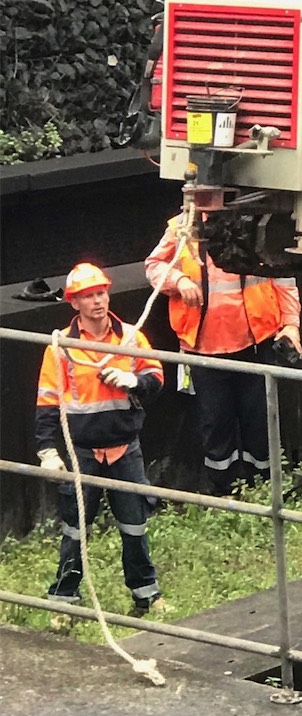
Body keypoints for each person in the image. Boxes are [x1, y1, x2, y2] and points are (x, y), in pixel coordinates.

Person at [37, 262, 168, 616]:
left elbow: (155, 379)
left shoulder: (131, 337)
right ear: (74, 303)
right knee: (75, 529)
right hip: (83, 451)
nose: (97, 301)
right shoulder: (61, 347)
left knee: (135, 524)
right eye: (88, 296)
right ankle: (65, 600)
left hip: (125, 448)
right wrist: (48, 450)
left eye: (101, 293)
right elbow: (48, 400)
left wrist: (134, 382)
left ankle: (146, 595)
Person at [145, 214, 302, 495]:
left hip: (256, 345)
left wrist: (291, 325)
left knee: (261, 423)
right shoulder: (180, 228)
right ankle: (224, 493)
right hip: (204, 352)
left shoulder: (256, 221)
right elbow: (154, 267)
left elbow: (283, 274)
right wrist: (179, 280)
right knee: (215, 426)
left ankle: (266, 492)